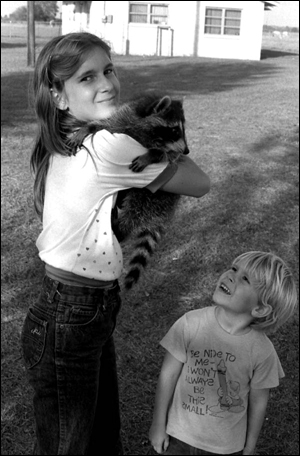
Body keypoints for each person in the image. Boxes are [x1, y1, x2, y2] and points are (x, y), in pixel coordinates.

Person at [20, 32, 210, 456]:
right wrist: (169, 142)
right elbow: (201, 183)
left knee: (98, 439)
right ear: (59, 96)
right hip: (74, 315)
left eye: (109, 70)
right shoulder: (111, 146)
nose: (106, 84)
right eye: (87, 78)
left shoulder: (71, 137)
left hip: (71, 309)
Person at [149, 251, 298, 456]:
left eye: (244, 279)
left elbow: (258, 402)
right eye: (234, 268)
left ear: (260, 309)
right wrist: (158, 423)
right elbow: (168, 375)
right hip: (177, 437)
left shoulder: (263, 352)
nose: (230, 275)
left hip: (226, 448)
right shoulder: (190, 323)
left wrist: (249, 447)